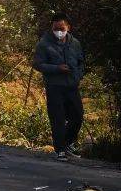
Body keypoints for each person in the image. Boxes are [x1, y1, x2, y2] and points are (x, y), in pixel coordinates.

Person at [32, 14, 85, 161]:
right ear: (52, 28)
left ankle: (67, 143)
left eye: (61, 28)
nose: (59, 31)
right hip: (54, 86)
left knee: (78, 116)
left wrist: (79, 75)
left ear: (68, 27)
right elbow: (37, 64)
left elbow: (81, 61)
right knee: (58, 118)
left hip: (72, 85)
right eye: (56, 29)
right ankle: (60, 150)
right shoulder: (44, 44)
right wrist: (57, 68)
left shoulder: (75, 43)